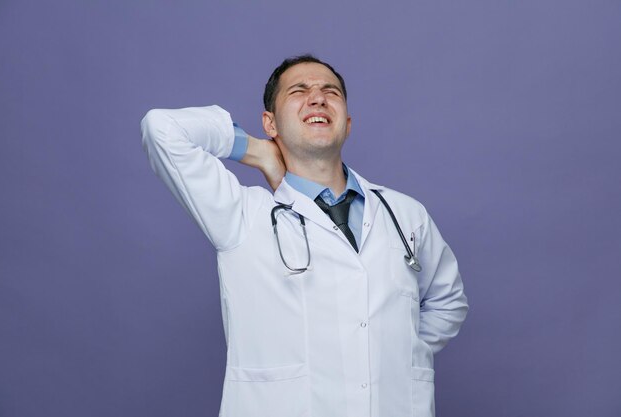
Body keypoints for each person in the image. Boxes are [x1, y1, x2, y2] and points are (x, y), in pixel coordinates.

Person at [141, 54, 468, 417]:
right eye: (299, 91)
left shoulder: (405, 214)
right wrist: (255, 151)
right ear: (270, 123)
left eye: (331, 92)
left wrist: (393, 351)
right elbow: (161, 128)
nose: (317, 97)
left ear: (347, 122)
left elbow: (448, 301)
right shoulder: (243, 216)